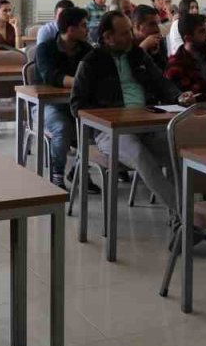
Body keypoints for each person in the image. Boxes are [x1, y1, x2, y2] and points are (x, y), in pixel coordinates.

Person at [71, 12, 196, 222]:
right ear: (108, 37)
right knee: (139, 154)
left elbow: (161, 82)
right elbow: (77, 105)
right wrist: (110, 115)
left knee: (179, 152)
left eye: (130, 30)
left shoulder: (138, 55)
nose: (131, 36)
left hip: (145, 123)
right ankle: (186, 216)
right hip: (109, 132)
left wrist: (179, 96)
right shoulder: (91, 62)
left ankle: (180, 218)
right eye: (124, 33)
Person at [35, 7, 92, 186]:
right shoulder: (46, 48)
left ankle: (78, 170)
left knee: (97, 127)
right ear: (70, 29)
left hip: (75, 104)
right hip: (47, 106)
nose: (88, 29)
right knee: (62, 127)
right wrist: (80, 82)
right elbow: (51, 77)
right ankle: (57, 175)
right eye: (83, 25)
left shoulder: (86, 49)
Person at [132, 5, 169, 70]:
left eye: (157, 24)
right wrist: (142, 48)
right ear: (137, 27)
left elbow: (165, 72)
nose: (157, 29)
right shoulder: (126, 43)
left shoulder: (158, 40)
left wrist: (155, 54)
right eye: (152, 24)